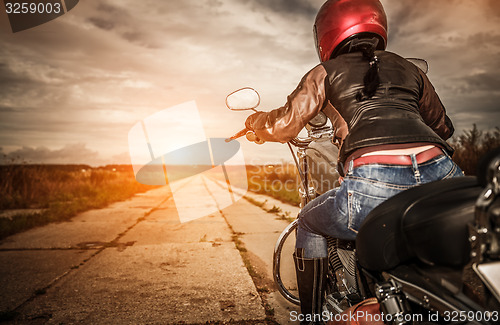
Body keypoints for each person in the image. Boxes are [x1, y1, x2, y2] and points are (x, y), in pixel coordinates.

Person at [242, 0, 464, 323]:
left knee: (307, 220)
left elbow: (284, 124)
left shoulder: (324, 73)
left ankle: (312, 317)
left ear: (326, 34)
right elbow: (443, 127)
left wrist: (255, 124)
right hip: (444, 177)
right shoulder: (410, 69)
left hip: (374, 183)